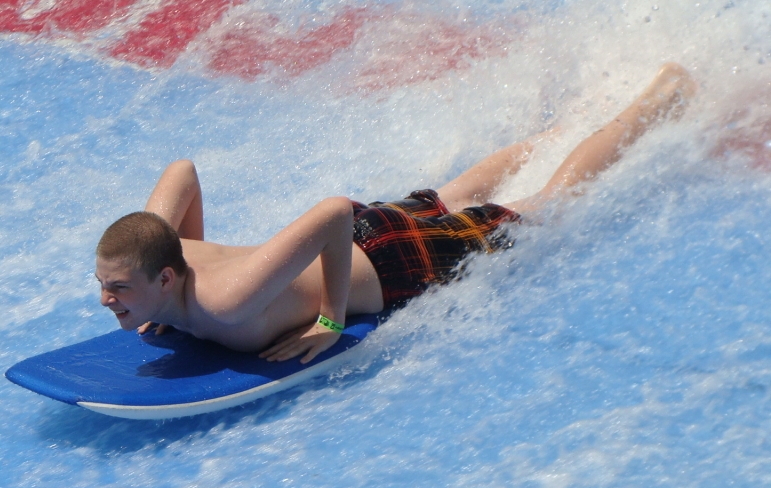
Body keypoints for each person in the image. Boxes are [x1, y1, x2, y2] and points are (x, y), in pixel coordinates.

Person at [95, 63, 696, 364]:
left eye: (118, 288)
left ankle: (654, 102)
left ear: (166, 275)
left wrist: (329, 321)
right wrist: (162, 310)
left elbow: (331, 212)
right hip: (368, 235)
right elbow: (182, 171)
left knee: (544, 206)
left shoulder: (223, 301)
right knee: (453, 194)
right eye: (103, 286)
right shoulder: (163, 251)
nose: (106, 300)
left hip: (387, 262)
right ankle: (574, 122)